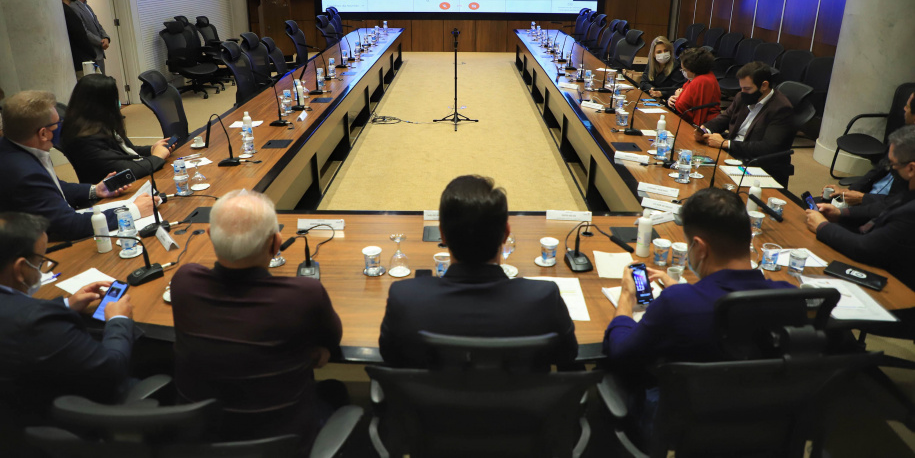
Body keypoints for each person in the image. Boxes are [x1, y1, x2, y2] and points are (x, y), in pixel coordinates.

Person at [603, 188, 794, 440]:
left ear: (699, 247)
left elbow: (620, 354)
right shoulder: (789, 297)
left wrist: (627, 296)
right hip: (762, 428)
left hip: (682, 432)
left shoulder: (678, 304)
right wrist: (690, 291)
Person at [170, 189, 344, 451]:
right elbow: (331, 340)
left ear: (209, 237)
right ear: (276, 244)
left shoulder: (184, 282)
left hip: (201, 441)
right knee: (335, 391)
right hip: (285, 444)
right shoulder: (304, 295)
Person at [379, 175, 578, 368]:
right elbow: (567, 356)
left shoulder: (404, 298)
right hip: (519, 401)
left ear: (442, 235)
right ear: (506, 234)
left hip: (431, 402)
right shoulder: (544, 297)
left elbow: (390, 356)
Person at [0, 212, 137, 451]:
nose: (42, 269)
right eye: (41, 262)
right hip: (65, 422)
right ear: (20, 268)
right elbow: (111, 371)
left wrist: (66, 305)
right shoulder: (37, 323)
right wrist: (118, 320)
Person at [0, 91, 154, 241]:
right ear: (43, 134)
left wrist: (95, 190)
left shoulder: (16, 147)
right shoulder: (25, 173)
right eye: (57, 123)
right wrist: (132, 211)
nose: (62, 125)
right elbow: (70, 225)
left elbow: (53, 186)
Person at [806, 125, 915, 286]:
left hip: (895, 285)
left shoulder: (910, 211)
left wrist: (822, 226)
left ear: (911, 168)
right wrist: (840, 214)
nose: (890, 169)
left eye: (893, 165)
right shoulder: (908, 193)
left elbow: (864, 247)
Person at [696, 61, 795, 187]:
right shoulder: (742, 96)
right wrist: (705, 129)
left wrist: (726, 143)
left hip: (756, 163)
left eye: (747, 89)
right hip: (733, 153)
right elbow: (725, 117)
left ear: (764, 85)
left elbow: (769, 147)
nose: (742, 92)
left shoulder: (781, 109)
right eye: (741, 88)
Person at [60, 74, 173, 184]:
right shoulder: (82, 140)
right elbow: (126, 171)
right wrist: (157, 156)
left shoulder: (97, 123)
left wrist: (152, 149)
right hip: (110, 194)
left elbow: (127, 151)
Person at [820, 91, 915, 208]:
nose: (904, 109)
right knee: (816, 205)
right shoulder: (903, 137)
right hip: (867, 198)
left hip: (881, 211)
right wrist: (848, 191)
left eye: (908, 106)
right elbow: (878, 170)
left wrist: (861, 199)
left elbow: (899, 203)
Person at [68, 0, 110, 74]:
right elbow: (83, 31)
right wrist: (100, 41)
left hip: (99, 52)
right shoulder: (74, 8)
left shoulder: (86, 6)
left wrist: (106, 37)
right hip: (90, 53)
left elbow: (97, 24)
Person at [667, 48, 720, 125]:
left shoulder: (701, 81)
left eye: (684, 70)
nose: (683, 72)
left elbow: (682, 106)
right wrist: (672, 99)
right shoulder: (698, 77)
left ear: (693, 69)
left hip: (703, 125)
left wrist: (678, 98)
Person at [59, 0, 94, 75]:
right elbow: (79, 35)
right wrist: (92, 53)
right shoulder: (67, 12)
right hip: (81, 61)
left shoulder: (68, 9)